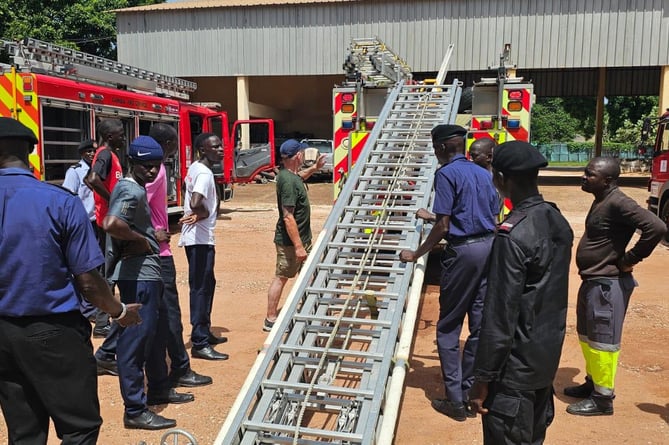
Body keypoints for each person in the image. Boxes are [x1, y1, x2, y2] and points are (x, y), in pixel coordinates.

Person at [0, 117, 141, 444]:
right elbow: (89, 282)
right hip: (54, 332)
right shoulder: (59, 202)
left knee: (24, 432)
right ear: (31, 153)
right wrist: (120, 312)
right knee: (79, 426)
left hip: (3, 335)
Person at [468, 141, 574, 444]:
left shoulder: (512, 235)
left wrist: (482, 379)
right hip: (543, 363)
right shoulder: (557, 220)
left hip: (512, 372)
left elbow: (500, 316)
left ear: (500, 178)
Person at [399, 124, 498, 421]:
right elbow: (485, 213)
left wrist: (417, 253)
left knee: (449, 326)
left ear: (441, 148)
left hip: (464, 252)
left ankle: (454, 401)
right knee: (479, 324)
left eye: (434, 147)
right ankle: (471, 390)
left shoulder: (445, 174)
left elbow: (444, 225)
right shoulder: (484, 172)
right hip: (489, 247)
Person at [564, 156, 666, 416]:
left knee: (603, 342)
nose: (584, 177)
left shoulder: (619, 201)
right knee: (589, 337)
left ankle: (603, 399)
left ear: (607, 180)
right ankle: (593, 383)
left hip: (607, 286)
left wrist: (629, 260)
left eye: (590, 174)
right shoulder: (602, 200)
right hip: (593, 281)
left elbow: (656, 226)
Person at [105, 135, 195, 430]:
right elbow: (112, 223)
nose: (153, 172)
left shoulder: (135, 189)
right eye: (147, 166)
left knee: (155, 335)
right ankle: (134, 410)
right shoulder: (131, 190)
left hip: (147, 273)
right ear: (133, 163)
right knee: (134, 343)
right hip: (136, 275)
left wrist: (147, 236)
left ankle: (159, 387)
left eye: (157, 166)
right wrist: (143, 239)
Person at [148, 123, 214, 387]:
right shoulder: (159, 170)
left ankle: (107, 353)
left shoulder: (162, 170)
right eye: (175, 142)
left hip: (164, 246)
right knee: (171, 311)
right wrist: (152, 232)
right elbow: (133, 200)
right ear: (167, 144)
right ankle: (186, 361)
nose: (177, 147)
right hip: (165, 250)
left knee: (155, 309)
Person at [264, 139, 325, 332]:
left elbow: (300, 177)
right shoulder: (288, 181)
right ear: (298, 156)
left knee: (308, 275)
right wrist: (298, 246)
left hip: (301, 239)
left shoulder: (290, 175)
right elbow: (288, 217)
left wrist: (314, 168)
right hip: (291, 243)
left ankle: (310, 310)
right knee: (282, 276)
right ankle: (270, 318)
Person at [178, 132, 229, 360]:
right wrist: (204, 212)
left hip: (200, 237)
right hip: (198, 239)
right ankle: (199, 342)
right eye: (215, 147)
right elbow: (195, 202)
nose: (221, 149)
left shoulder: (196, 168)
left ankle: (205, 332)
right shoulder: (205, 174)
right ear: (202, 150)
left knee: (208, 283)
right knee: (200, 287)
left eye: (221, 146)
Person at [85, 119, 126, 346]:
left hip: (110, 221)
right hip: (108, 223)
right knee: (108, 273)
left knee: (109, 270)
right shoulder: (105, 155)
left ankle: (104, 318)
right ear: (110, 136)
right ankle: (102, 323)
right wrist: (114, 202)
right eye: (121, 134)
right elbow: (92, 179)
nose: (124, 137)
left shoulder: (109, 155)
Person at [62, 138, 105, 330]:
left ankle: (93, 303)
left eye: (93, 151)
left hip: (97, 222)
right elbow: (68, 195)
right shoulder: (74, 172)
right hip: (83, 223)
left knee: (97, 263)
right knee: (85, 265)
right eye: (87, 151)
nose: (90, 154)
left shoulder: (98, 170)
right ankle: (87, 309)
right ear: (81, 153)